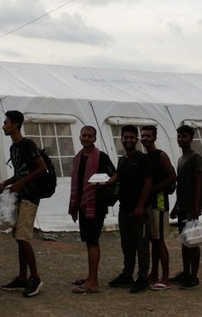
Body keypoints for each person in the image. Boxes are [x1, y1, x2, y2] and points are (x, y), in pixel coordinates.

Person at [0, 110, 47, 298]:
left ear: (15, 125)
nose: (3, 126)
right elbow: (21, 171)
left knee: (23, 237)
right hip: (20, 195)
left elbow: (42, 168)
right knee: (18, 237)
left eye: (6, 122)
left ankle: (35, 277)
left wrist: (21, 184)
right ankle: (22, 277)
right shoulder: (14, 148)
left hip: (30, 197)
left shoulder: (27, 144)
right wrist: (7, 183)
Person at [104, 125, 152, 294]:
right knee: (127, 244)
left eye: (132, 137)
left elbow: (148, 182)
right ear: (121, 139)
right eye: (126, 138)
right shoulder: (123, 159)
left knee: (141, 244)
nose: (128, 140)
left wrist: (140, 206)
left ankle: (143, 278)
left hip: (138, 210)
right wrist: (107, 181)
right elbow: (117, 175)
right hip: (124, 208)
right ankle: (127, 275)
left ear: (136, 140)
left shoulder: (142, 158)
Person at [67, 126, 115, 294]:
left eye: (90, 136)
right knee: (89, 241)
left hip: (96, 205)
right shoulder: (78, 158)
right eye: (84, 135)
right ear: (80, 138)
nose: (86, 138)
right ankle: (90, 276)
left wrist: (106, 183)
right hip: (83, 205)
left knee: (93, 241)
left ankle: (93, 281)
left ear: (95, 139)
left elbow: (115, 174)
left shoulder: (101, 157)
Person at [140, 125, 177, 291]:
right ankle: (154, 273)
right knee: (152, 239)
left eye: (148, 135)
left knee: (159, 239)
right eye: (143, 136)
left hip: (159, 204)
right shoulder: (145, 157)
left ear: (154, 137)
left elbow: (173, 176)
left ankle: (166, 277)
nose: (145, 138)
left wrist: (155, 188)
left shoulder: (160, 155)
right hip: (148, 204)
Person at [171, 125, 202, 289]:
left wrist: (196, 206)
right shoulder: (181, 159)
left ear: (191, 138)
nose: (181, 139)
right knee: (184, 240)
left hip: (191, 206)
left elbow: (198, 182)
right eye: (179, 136)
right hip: (183, 205)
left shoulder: (195, 157)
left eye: (184, 136)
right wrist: (176, 206)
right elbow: (181, 185)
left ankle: (194, 276)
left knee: (193, 241)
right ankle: (185, 271)